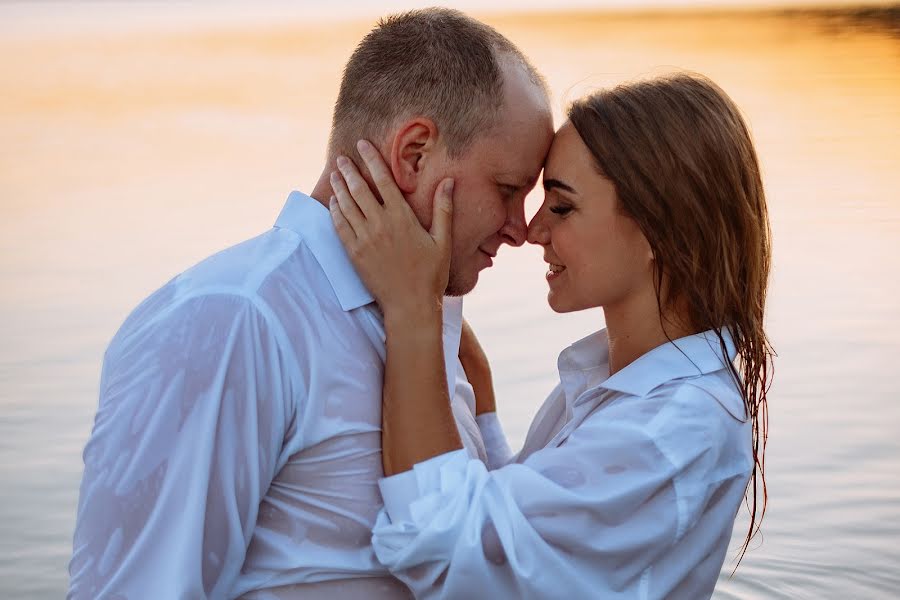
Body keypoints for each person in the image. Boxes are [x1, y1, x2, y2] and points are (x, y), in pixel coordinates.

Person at [67, 8, 553, 599]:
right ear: (414, 155)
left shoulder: (424, 319)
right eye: (508, 190)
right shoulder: (230, 321)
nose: (519, 228)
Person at [328, 72, 774, 599]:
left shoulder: (674, 426)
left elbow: (447, 548)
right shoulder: (613, 384)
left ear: (659, 230)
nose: (533, 230)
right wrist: (484, 410)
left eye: (561, 206)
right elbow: (523, 538)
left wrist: (412, 315)